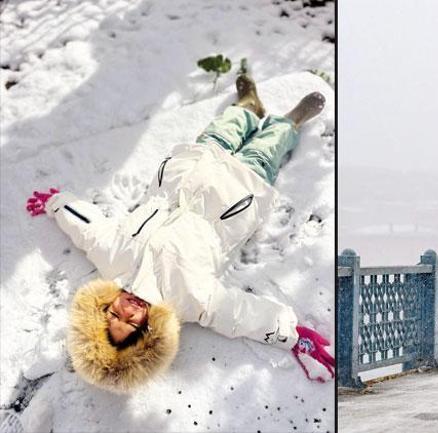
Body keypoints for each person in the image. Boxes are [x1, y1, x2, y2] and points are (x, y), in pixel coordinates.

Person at [24, 71, 335, 393]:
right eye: (131, 323)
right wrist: (291, 335)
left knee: (222, 131)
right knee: (264, 150)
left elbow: (88, 229)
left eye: (114, 315)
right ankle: (287, 125)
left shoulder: (114, 259)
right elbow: (240, 313)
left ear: (101, 310)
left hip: (188, 172)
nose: (127, 310)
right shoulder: (188, 299)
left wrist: (58, 204)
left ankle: (247, 107)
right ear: (148, 331)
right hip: (240, 190)